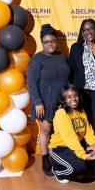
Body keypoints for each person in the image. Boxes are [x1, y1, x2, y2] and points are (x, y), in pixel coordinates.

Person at [27, 24, 71, 176]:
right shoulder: (37, 59)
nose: (50, 44)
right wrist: (38, 102)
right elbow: (31, 83)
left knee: (62, 131)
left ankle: (59, 158)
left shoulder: (62, 56)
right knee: (46, 131)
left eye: (52, 41)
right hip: (44, 101)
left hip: (62, 100)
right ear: (42, 43)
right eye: (46, 42)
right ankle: (46, 162)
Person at [69, 19, 95, 138]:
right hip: (82, 90)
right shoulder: (76, 47)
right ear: (82, 32)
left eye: (91, 28)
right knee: (84, 121)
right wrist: (72, 91)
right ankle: (86, 147)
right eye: (85, 29)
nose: (88, 31)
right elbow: (72, 69)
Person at [49, 84, 95, 183]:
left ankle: (78, 161)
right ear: (64, 99)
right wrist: (82, 154)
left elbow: (88, 131)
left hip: (74, 146)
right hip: (59, 148)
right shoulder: (61, 113)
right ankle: (58, 170)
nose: (73, 99)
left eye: (75, 96)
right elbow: (69, 137)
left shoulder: (81, 111)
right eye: (69, 97)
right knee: (79, 170)